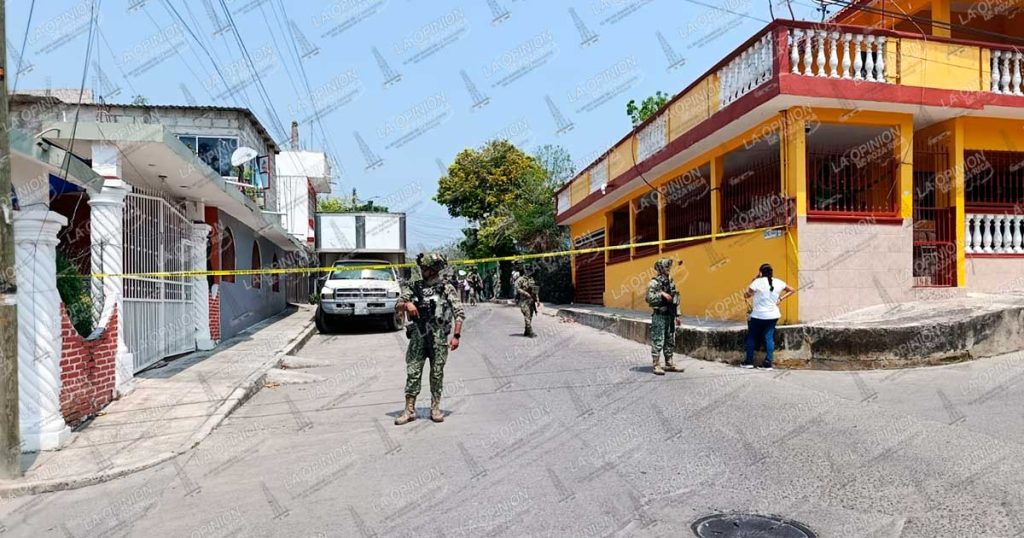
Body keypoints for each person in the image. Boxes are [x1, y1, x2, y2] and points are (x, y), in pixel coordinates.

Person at [394, 253, 465, 425]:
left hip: (438, 336)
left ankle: (435, 408)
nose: (422, 270)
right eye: (422, 267)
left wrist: (456, 336)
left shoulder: (446, 288)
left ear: (433, 270)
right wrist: (407, 305)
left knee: (437, 374)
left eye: (425, 268)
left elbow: (459, 313)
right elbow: (397, 305)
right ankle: (409, 410)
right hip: (418, 335)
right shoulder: (414, 286)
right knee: (413, 372)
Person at [741, 263, 795, 370]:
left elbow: (747, 295)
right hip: (773, 315)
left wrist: (754, 279)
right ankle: (768, 363)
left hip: (758, 316)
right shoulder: (779, 282)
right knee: (769, 338)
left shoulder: (757, 282)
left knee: (751, 337)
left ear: (760, 272)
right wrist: (780, 299)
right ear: (771, 272)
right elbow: (792, 290)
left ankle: (749, 362)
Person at [644, 258, 684, 375]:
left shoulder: (670, 281)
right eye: (666, 267)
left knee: (670, 339)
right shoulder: (654, 283)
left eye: (669, 267)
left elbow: (675, 298)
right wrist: (661, 294)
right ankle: (656, 365)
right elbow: (649, 298)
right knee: (658, 340)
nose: (668, 269)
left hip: (670, 316)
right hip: (659, 315)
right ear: (661, 268)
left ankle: (669, 363)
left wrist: (677, 315)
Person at [514, 266, 540, 337]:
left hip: (531, 301)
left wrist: (537, 300)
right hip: (524, 301)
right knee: (527, 316)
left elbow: (535, 290)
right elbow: (517, 288)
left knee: (530, 316)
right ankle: (530, 332)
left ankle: (526, 331)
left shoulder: (531, 279)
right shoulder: (520, 279)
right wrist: (525, 293)